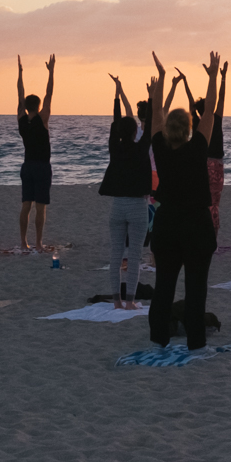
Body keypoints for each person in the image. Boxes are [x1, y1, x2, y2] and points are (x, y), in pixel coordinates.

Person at [149, 54, 221, 351]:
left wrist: (161, 81)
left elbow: (155, 114)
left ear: (167, 130)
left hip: (167, 224)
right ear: (189, 128)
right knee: (196, 287)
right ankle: (195, 340)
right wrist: (214, 75)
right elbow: (211, 112)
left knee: (164, 285)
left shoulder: (159, 146)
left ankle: (159, 337)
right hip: (196, 224)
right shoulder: (198, 146)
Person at [101, 67, 155, 311]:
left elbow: (115, 122)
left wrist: (115, 96)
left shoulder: (115, 146)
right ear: (135, 132)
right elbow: (151, 124)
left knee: (115, 256)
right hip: (137, 207)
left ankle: (116, 300)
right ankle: (130, 300)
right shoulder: (142, 147)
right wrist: (152, 97)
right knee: (134, 257)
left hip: (117, 206)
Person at [17, 55, 56, 251]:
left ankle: (24, 242)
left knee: (26, 205)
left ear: (25, 106)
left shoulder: (22, 120)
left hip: (27, 166)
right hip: (41, 167)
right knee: (40, 207)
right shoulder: (43, 118)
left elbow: (19, 94)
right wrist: (51, 71)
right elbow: (49, 93)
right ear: (38, 106)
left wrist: (20, 72)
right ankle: (39, 243)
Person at [202, 58, 230, 236]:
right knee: (215, 203)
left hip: (205, 165)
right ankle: (213, 232)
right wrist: (222, 78)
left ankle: (206, 231)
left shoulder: (201, 123)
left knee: (206, 202)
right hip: (216, 165)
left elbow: (216, 100)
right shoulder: (214, 119)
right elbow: (220, 99)